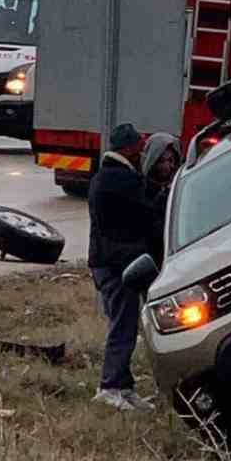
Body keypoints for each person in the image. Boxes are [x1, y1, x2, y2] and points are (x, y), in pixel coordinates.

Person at [87, 122, 160, 411]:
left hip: (108, 263)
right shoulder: (122, 180)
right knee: (123, 328)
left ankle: (124, 387)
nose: (142, 153)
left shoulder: (104, 176)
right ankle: (110, 387)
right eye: (139, 148)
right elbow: (148, 213)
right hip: (117, 266)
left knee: (125, 326)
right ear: (129, 149)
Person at [140, 130, 181, 268]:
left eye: (171, 160)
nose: (167, 166)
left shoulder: (178, 187)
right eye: (162, 161)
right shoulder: (141, 189)